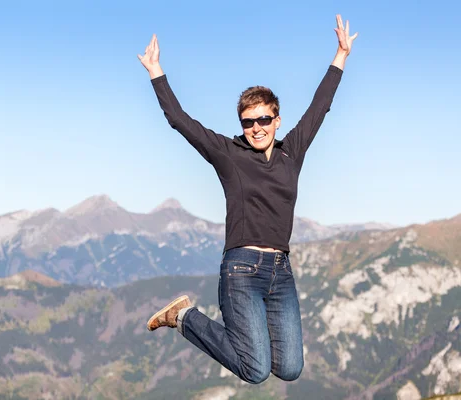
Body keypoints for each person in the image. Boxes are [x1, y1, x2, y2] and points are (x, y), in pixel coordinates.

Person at [140, 14, 358, 384]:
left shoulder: (293, 150)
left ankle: (191, 320)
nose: (255, 127)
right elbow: (180, 120)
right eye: (247, 121)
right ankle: (184, 317)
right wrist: (156, 72)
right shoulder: (229, 153)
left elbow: (319, 107)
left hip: (281, 271)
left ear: (277, 119)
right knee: (255, 370)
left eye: (263, 119)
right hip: (241, 269)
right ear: (241, 124)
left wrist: (341, 56)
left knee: (289, 368)